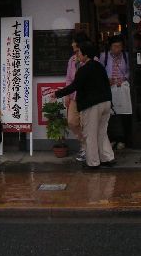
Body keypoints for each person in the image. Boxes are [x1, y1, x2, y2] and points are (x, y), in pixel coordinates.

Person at [54, 41, 114, 170]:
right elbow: (106, 83)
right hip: (106, 102)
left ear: (86, 55)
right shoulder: (99, 66)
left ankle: (93, 162)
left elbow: (74, 86)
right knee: (102, 132)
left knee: (89, 134)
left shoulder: (84, 69)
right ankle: (107, 158)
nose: (77, 55)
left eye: (79, 52)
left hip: (92, 105)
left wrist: (57, 94)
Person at [101, 35, 131, 150]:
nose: (117, 49)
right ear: (110, 47)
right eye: (115, 46)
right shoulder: (104, 56)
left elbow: (130, 70)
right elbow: (100, 71)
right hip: (109, 88)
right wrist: (106, 80)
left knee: (123, 113)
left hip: (122, 88)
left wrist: (124, 79)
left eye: (119, 46)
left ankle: (123, 139)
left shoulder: (126, 56)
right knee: (110, 114)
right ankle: (112, 138)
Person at [64, 31, 90, 162]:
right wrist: (67, 94)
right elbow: (69, 78)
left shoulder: (91, 59)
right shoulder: (72, 60)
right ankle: (84, 144)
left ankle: (88, 149)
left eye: (74, 42)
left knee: (87, 123)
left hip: (88, 97)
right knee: (72, 121)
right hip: (74, 96)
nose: (72, 44)